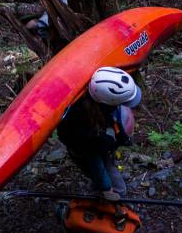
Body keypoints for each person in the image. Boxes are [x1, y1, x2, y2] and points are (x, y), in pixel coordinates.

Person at [56, 67, 140, 201]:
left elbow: (112, 119)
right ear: (108, 101)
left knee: (104, 169)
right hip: (86, 151)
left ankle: (97, 189)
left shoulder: (98, 96)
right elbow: (93, 159)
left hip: (99, 145)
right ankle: (96, 205)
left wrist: (119, 138)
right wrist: (106, 187)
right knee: (118, 189)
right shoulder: (83, 127)